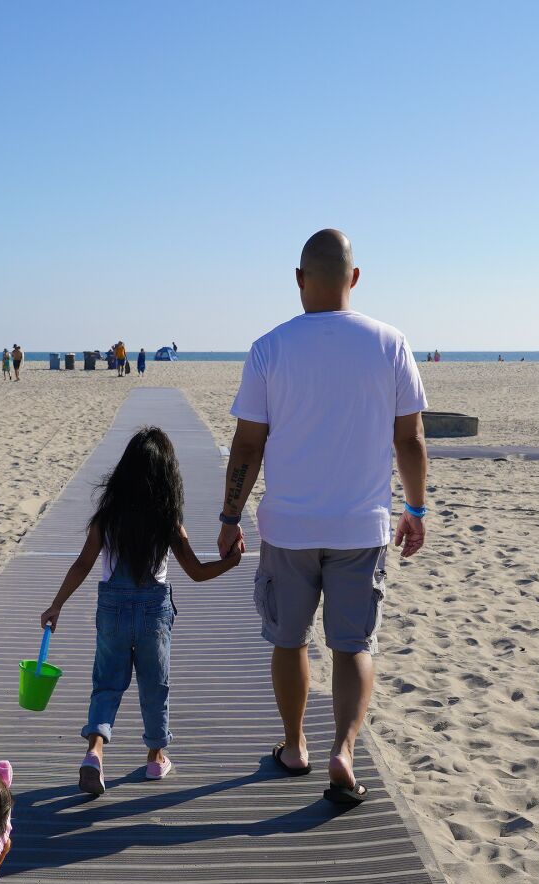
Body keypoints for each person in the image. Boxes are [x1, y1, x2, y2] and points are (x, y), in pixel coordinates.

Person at [217, 228, 429, 807]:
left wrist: (230, 516)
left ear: (299, 279)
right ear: (354, 279)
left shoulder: (270, 347)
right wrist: (414, 508)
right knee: (353, 645)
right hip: (361, 527)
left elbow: (246, 446)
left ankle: (294, 745)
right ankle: (345, 749)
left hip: (288, 528)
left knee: (289, 643)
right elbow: (409, 439)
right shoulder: (390, 343)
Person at [40, 426, 241, 795]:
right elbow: (196, 572)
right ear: (167, 475)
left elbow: (83, 563)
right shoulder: (167, 522)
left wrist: (57, 604)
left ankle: (95, 753)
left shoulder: (107, 518)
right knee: (155, 686)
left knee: (106, 684)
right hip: (153, 613)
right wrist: (230, 562)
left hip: (112, 610)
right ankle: (154, 758)